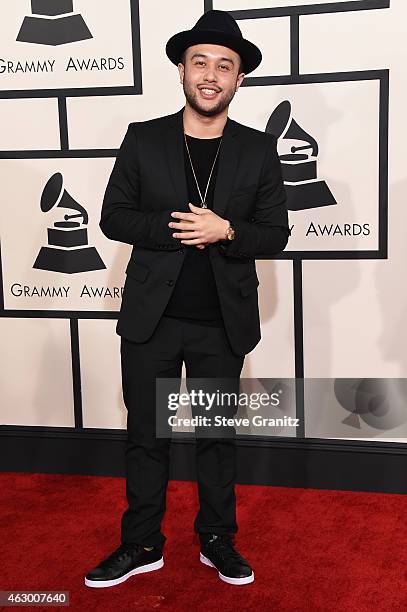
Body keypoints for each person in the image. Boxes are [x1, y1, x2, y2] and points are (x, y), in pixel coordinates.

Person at [85, 9, 290, 589]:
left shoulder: (257, 148)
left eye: (225, 66)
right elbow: (113, 216)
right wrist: (181, 228)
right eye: (200, 61)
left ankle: (217, 539)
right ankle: (141, 542)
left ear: (238, 80)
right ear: (181, 70)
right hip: (152, 320)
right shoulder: (143, 137)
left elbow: (275, 232)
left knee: (216, 438)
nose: (211, 74)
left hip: (222, 322)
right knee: (146, 436)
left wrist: (225, 231)